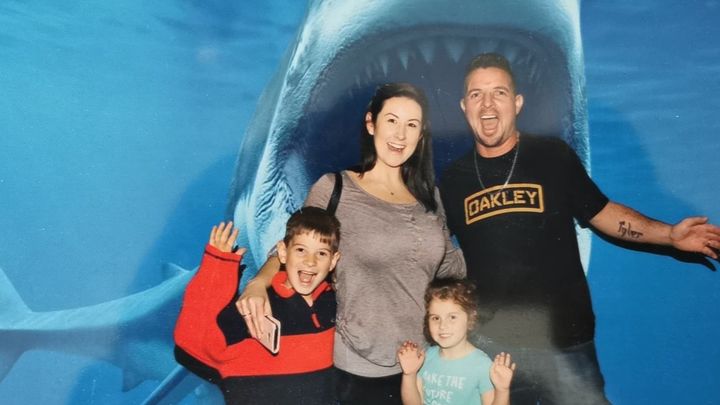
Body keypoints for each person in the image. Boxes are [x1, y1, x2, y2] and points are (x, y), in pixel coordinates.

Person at [439, 52, 720, 404]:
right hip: (493, 348)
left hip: (564, 341)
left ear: (517, 102)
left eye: (499, 92)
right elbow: (431, 250)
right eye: (476, 94)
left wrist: (669, 235)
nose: (487, 104)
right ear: (464, 106)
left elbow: (603, 213)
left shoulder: (552, 156)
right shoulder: (453, 180)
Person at [237, 82, 466, 404]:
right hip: (356, 371)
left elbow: (450, 269)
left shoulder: (432, 199)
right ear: (371, 123)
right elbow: (293, 247)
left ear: (421, 135)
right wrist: (259, 282)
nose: (400, 135)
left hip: (422, 366)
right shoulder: (335, 189)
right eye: (392, 120)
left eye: (411, 125)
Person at [173, 207, 341, 404]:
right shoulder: (255, 307)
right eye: (301, 250)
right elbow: (191, 340)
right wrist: (217, 265)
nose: (310, 261)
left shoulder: (332, 304)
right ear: (282, 253)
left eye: (321, 253)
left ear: (333, 261)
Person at [397, 278, 516, 405]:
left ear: (470, 318)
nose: (442, 325)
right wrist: (409, 374)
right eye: (436, 318)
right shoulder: (425, 357)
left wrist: (502, 391)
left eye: (452, 317)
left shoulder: (482, 366)